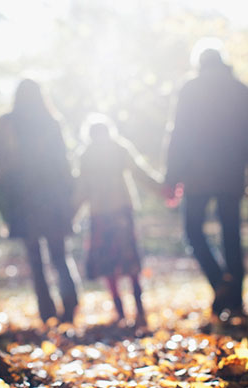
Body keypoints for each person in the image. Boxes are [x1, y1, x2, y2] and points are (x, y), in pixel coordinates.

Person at [164, 43, 248, 317]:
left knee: (193, 231)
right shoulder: (240, 90)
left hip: (196, 175)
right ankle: (235, 298)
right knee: (232, 235)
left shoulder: (190, 89)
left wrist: (172, 176)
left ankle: (220, 282)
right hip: (231, 174)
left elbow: (178, 134)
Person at [0, 79, 79, 323]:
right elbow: (64, 163)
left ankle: (47, 312)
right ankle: (69, 304)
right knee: (60, 254)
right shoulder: (51, 122)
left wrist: (4, 201)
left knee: (36, 258)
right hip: (52, 196)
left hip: (23, 197)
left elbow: (3, 163)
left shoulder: (7, 123)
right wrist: (69, 196)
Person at [74, 116, 162, 326]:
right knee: (128, 261)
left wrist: (71, 214)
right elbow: (140, 173)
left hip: (103, 214)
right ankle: (136, 310)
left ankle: (124, 311)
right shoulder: (115, 149)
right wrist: (162, 189)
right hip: (118, 211)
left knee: (111, 264)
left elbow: (81, 190)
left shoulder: (90, 154)